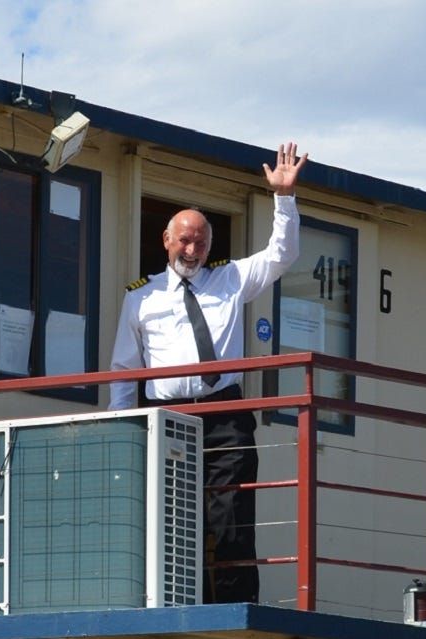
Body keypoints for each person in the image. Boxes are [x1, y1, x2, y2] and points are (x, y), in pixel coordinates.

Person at [109, 143, 308, 604]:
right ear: (166, 240)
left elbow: (282, 254)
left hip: (225, 414)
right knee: (176, 519)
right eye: (184, 240)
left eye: (200, 242)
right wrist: (122, 428)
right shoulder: (141, 298)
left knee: (231, 516)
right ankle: (182, 606)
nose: (192, 250)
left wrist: (283, 198)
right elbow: (124, 370)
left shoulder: (231, 278)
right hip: (168, 416)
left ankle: (237, 607)